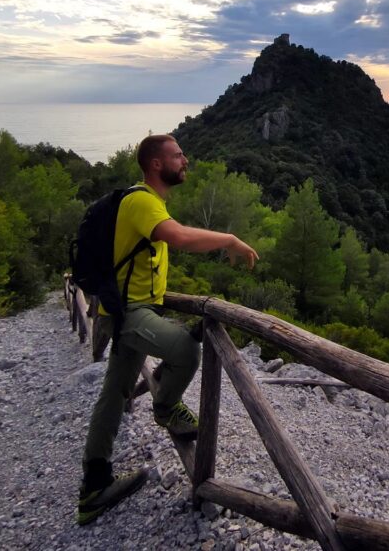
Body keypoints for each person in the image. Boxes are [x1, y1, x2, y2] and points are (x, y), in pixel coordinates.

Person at [77, 134, 258, 526]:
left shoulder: (148, 203)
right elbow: (178, 237)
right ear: (156, 164)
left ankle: (94, 486)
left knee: (113, 395)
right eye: (178, 155)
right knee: (186, 350)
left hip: (127, 310)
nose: (186, 160)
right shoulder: (142, 200)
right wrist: (230, 239)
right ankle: (164, 406)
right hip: (129, 314)